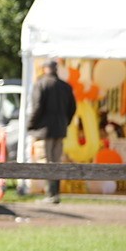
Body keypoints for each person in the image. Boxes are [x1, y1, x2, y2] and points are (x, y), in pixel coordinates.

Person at [28, 59, 77, 203]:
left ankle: (50, 194)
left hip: (44, 130)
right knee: (56, 162)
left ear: (45, 69)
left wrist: (30, 125)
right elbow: (72, 108)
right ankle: (56, 194)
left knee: (46, 161)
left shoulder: (41, 84)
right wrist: (65, 122)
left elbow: (37, 107)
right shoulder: (66, 86)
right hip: (60, 129)